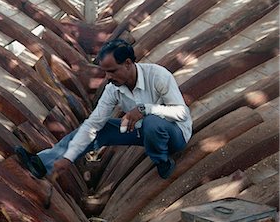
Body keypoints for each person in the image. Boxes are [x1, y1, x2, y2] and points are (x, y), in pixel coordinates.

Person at [16, 39, 192, 180]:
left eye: (112, 71)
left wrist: (145, 109)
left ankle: (163, 163)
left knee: (151, 122)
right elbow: (93, 124)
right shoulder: (113, 88)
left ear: (128, 63)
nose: (108, 77)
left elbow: (181, 113)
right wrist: (69, 157)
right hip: (143, 132)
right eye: (105, 72)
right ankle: (42, 163)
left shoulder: (158, 76)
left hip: (174, 134)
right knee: (102, 128)